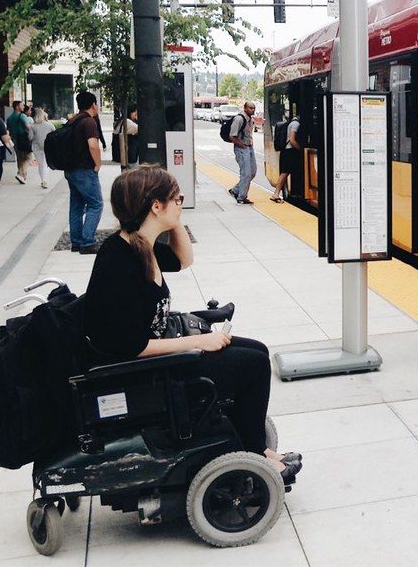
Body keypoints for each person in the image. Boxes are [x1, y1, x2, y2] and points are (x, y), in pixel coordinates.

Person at [83, 166, 302, 482]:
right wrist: (198, 342)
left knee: (257, 350)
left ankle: (251, 443)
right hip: (145, 373)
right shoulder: (119, 261)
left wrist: (175, 223)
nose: (180, 202)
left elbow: (184, 260)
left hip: (158, 358)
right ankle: (255, 453)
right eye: (176, 198)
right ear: (155, 206)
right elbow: (131, 346)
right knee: (252, 365)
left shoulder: (139, 244)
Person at [66, 91, 104, 254]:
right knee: (96, 204)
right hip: (84, 169)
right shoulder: (89, 122)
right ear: (93, 104)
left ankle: (76, 241)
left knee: (76, 205)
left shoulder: (73, 120)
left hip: (71, 169)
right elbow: (93, 145)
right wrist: (98, 164)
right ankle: (87, 241)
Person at [228, 101, 257, 205]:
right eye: (250, 108)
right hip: (241, 148)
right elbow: (232, 136)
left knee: (252, 172)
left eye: (253, 108)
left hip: (249, 147)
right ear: (245, 108)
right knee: (246, 173)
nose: (252, 110)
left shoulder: (250, 119)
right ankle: (241, 197)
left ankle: (235, 190)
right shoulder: (239, 119)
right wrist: (242, 146)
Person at [270, 114, 300, 203]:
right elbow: (292, 140)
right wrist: (300, 149)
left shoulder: (291, 123)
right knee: (285, 173)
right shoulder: (296, 124)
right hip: (290, 151)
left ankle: (277, 193)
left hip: (286, 151)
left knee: (285, 172)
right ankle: (276, 194)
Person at [5, 100, 33, 184]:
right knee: (28, 157)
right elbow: (28, 127)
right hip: (24, 139)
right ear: (17, 107)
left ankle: (22, 177)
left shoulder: (9, 118)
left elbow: (8, 130)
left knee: (20, 158)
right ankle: (20, 174)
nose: (24, 107)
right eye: (22, 105)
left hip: (15, 140)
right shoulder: (22, 116)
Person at [31, 106, 56, 189]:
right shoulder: (50, 125)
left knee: (41, 164)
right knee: (46, 164)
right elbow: (55, 135)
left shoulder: (33, 126)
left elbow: (30, 137)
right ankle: (44, 180)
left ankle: (43, 180)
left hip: (37, 148)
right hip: (48, 147)